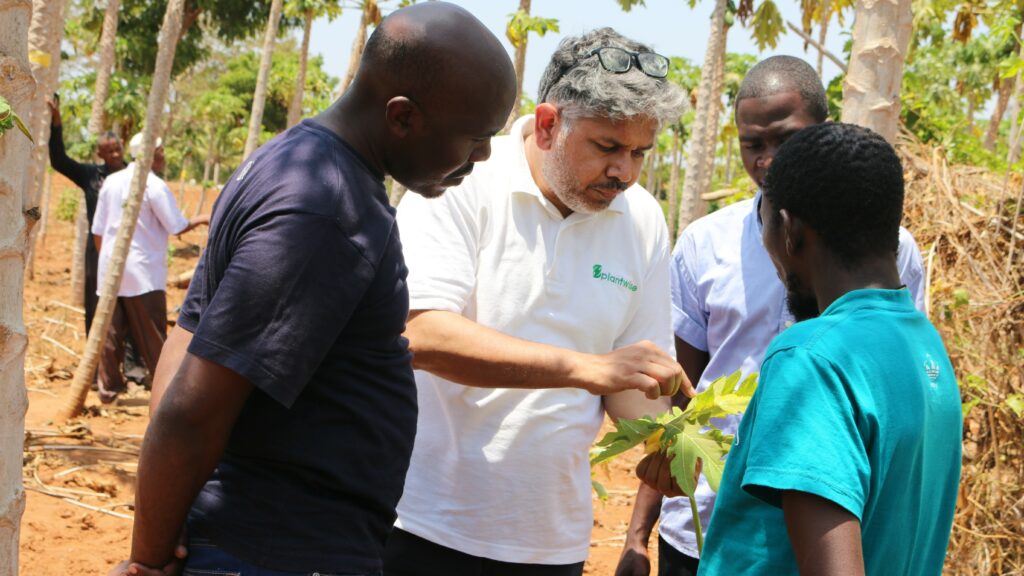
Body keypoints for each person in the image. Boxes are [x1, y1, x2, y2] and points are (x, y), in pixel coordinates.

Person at [109, 3, 517, 576]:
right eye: (475, 138)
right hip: (276, 547)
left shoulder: (289, 161)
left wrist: (176, 512)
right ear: (401, 117)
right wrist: (149, 561)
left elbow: (188, 340)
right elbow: (192, 408)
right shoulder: (327, 207)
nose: (483, 157)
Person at [383, 28, 690, 576]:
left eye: (640, 152)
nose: (626, 172)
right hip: (419, 521)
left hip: (551, 542)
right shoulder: (461, 180)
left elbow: (630, 378)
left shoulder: (641, 219)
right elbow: (421, 333)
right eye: (608, 148)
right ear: (548, 125)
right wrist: (587, 368)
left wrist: (665, 441)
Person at [616, 55, 928, 576]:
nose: (766, 161)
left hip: (837, 532)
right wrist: (637, 537)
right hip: (704, 531)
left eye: (784, 139)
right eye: (751, 144)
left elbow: (894, 384)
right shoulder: (703, 245)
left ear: (823, 132)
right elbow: (683, 398)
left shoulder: (889, 252)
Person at [90, 134, 208, 404]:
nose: (164, 156)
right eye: (161, 151)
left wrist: (107, 262)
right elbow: (175, 225)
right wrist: (202, 218)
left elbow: (98, 230)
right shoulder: (153, 185)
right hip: (142, 271)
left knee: (112, 331)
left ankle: (109, 390)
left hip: (111, 266)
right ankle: (165, 389)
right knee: (152, 332)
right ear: (151, 154)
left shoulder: (111, 181)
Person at [48, 97, 148, 386]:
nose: (115, 154)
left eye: (118, 149)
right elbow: (59, 161)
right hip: (98, 250)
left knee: (132, 307)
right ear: (99, 154)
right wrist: (57, 124)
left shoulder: (136, 175)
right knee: (97, 308)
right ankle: (96, 371)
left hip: (132, 249)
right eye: (109, 151)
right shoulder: (91, 176)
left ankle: (134, 369)